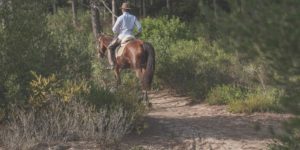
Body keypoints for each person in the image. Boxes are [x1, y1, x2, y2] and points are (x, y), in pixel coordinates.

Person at [107, 2, 142, 69]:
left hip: (122, 37)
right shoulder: (133, 17)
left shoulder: (120, 18)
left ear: (122, 9)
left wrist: (119, 31)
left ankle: (112, 64)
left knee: (110, 47)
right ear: (128, 9)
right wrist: (136, 34)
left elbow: (114, 29)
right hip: (131, 37)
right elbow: (140, 28)